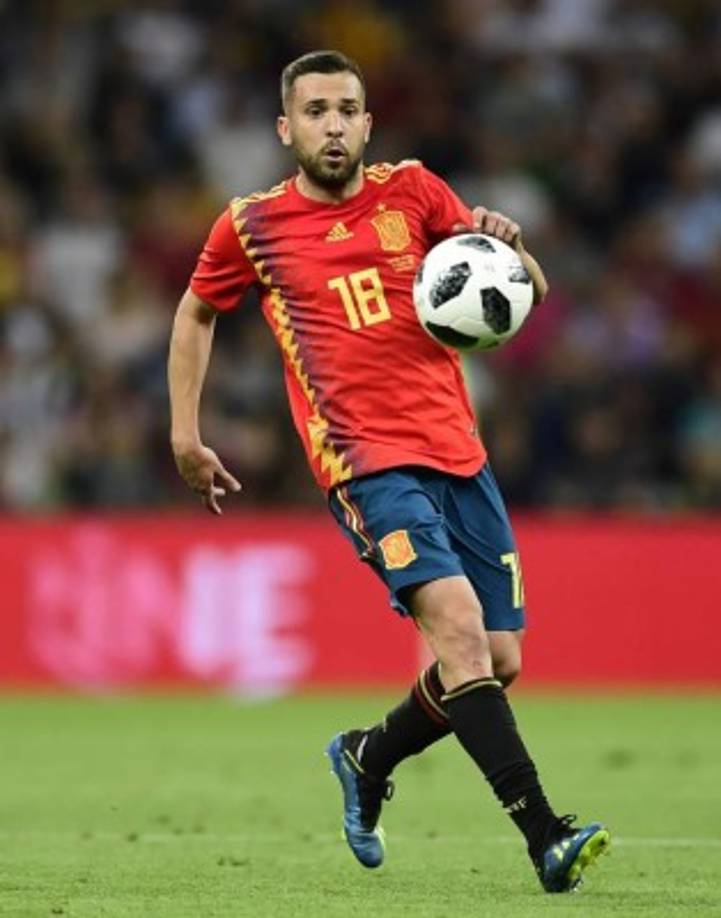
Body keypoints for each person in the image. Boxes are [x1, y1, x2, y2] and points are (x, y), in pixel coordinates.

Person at [168, 49, 609, 893]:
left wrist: (512, 247)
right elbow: (195, 314)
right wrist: (186, 435)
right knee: (459, 632)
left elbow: (525, 292)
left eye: (346, 110)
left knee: (498, 658)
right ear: (286, 128)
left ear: (367, 123)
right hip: (365, 464)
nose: (332, 126)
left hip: (458, 454)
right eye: (315, 111)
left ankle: (367, 756)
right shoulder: (251, 226)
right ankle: (545, 835)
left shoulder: (414, 192)